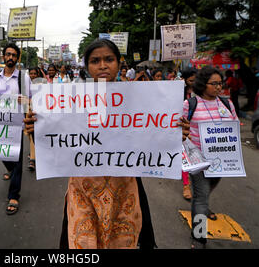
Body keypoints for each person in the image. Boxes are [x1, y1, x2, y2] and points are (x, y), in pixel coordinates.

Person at [25, 39, 190, 249]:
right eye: (95, 60)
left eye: (108, 59)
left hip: (124, 187)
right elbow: (53, 141)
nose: (102, 65)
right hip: (83, 189)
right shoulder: (70, 97)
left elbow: (156, 137)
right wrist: (36, 129)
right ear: (87, 65)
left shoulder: (140, 97)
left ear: (118, 63)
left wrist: (175, 134)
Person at [183, 66, 238, 249]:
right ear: (202, 84)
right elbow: (181, 128)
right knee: (201, 197)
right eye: (213, 84)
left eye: (220, 83)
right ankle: (198, 239)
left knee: (207, 190)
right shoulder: (191, 104)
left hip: (221, 160)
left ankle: (202, 206)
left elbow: (235, 123)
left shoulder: (227, 103)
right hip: (198, 160)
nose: (218, 87)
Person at [0, 42, 31, 215]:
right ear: (3, 56)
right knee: (1, 152)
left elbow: (31, 99)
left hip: (16, 123)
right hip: (0, 122)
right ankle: (9, 169)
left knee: (17, 158)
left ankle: (14, 195)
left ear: (17, 58)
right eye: (8, 54)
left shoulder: (23, 77)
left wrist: (25, 102)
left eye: (14, 55)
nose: (11, 58)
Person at [180, 68, 197, 200]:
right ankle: (186, 185)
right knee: (184, 155)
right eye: (191, 80)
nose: (194, 82)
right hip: (182, 127)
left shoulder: (201, 92)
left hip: (196, 129)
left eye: (196, 79)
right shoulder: (178, 92)